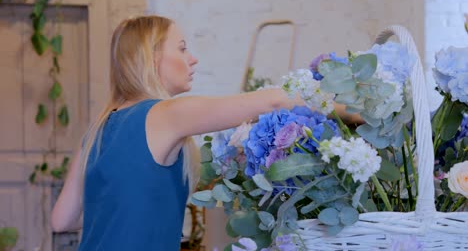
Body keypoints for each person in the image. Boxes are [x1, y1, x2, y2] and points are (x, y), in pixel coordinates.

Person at [50, 15, 360, 250]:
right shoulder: (164, 115)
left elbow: (60, 220)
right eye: (182, 48)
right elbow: (275, 100)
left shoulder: (96, 130)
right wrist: (353, 113)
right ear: (152, 57)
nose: (192, 58)